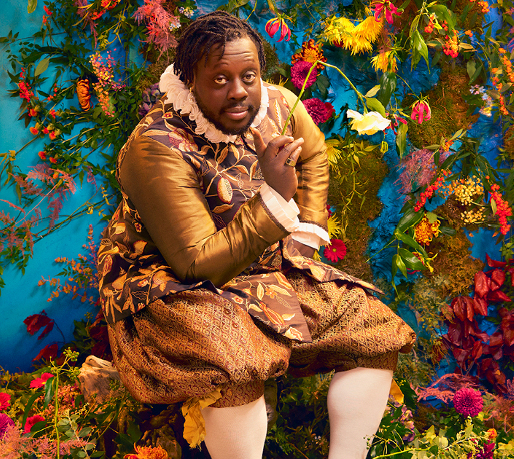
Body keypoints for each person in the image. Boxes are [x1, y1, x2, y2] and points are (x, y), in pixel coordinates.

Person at [96, 11, 416, 459]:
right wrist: (272, 200)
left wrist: (306, 226)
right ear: (189, 82)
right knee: (234, 358)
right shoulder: (154, 147)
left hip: (263, 269)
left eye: (249, 75)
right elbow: (195, 263)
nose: (240, 91)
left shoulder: (279, 105)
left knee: (375, 330)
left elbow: (314, 153)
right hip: (168, 289)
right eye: (220, 79)